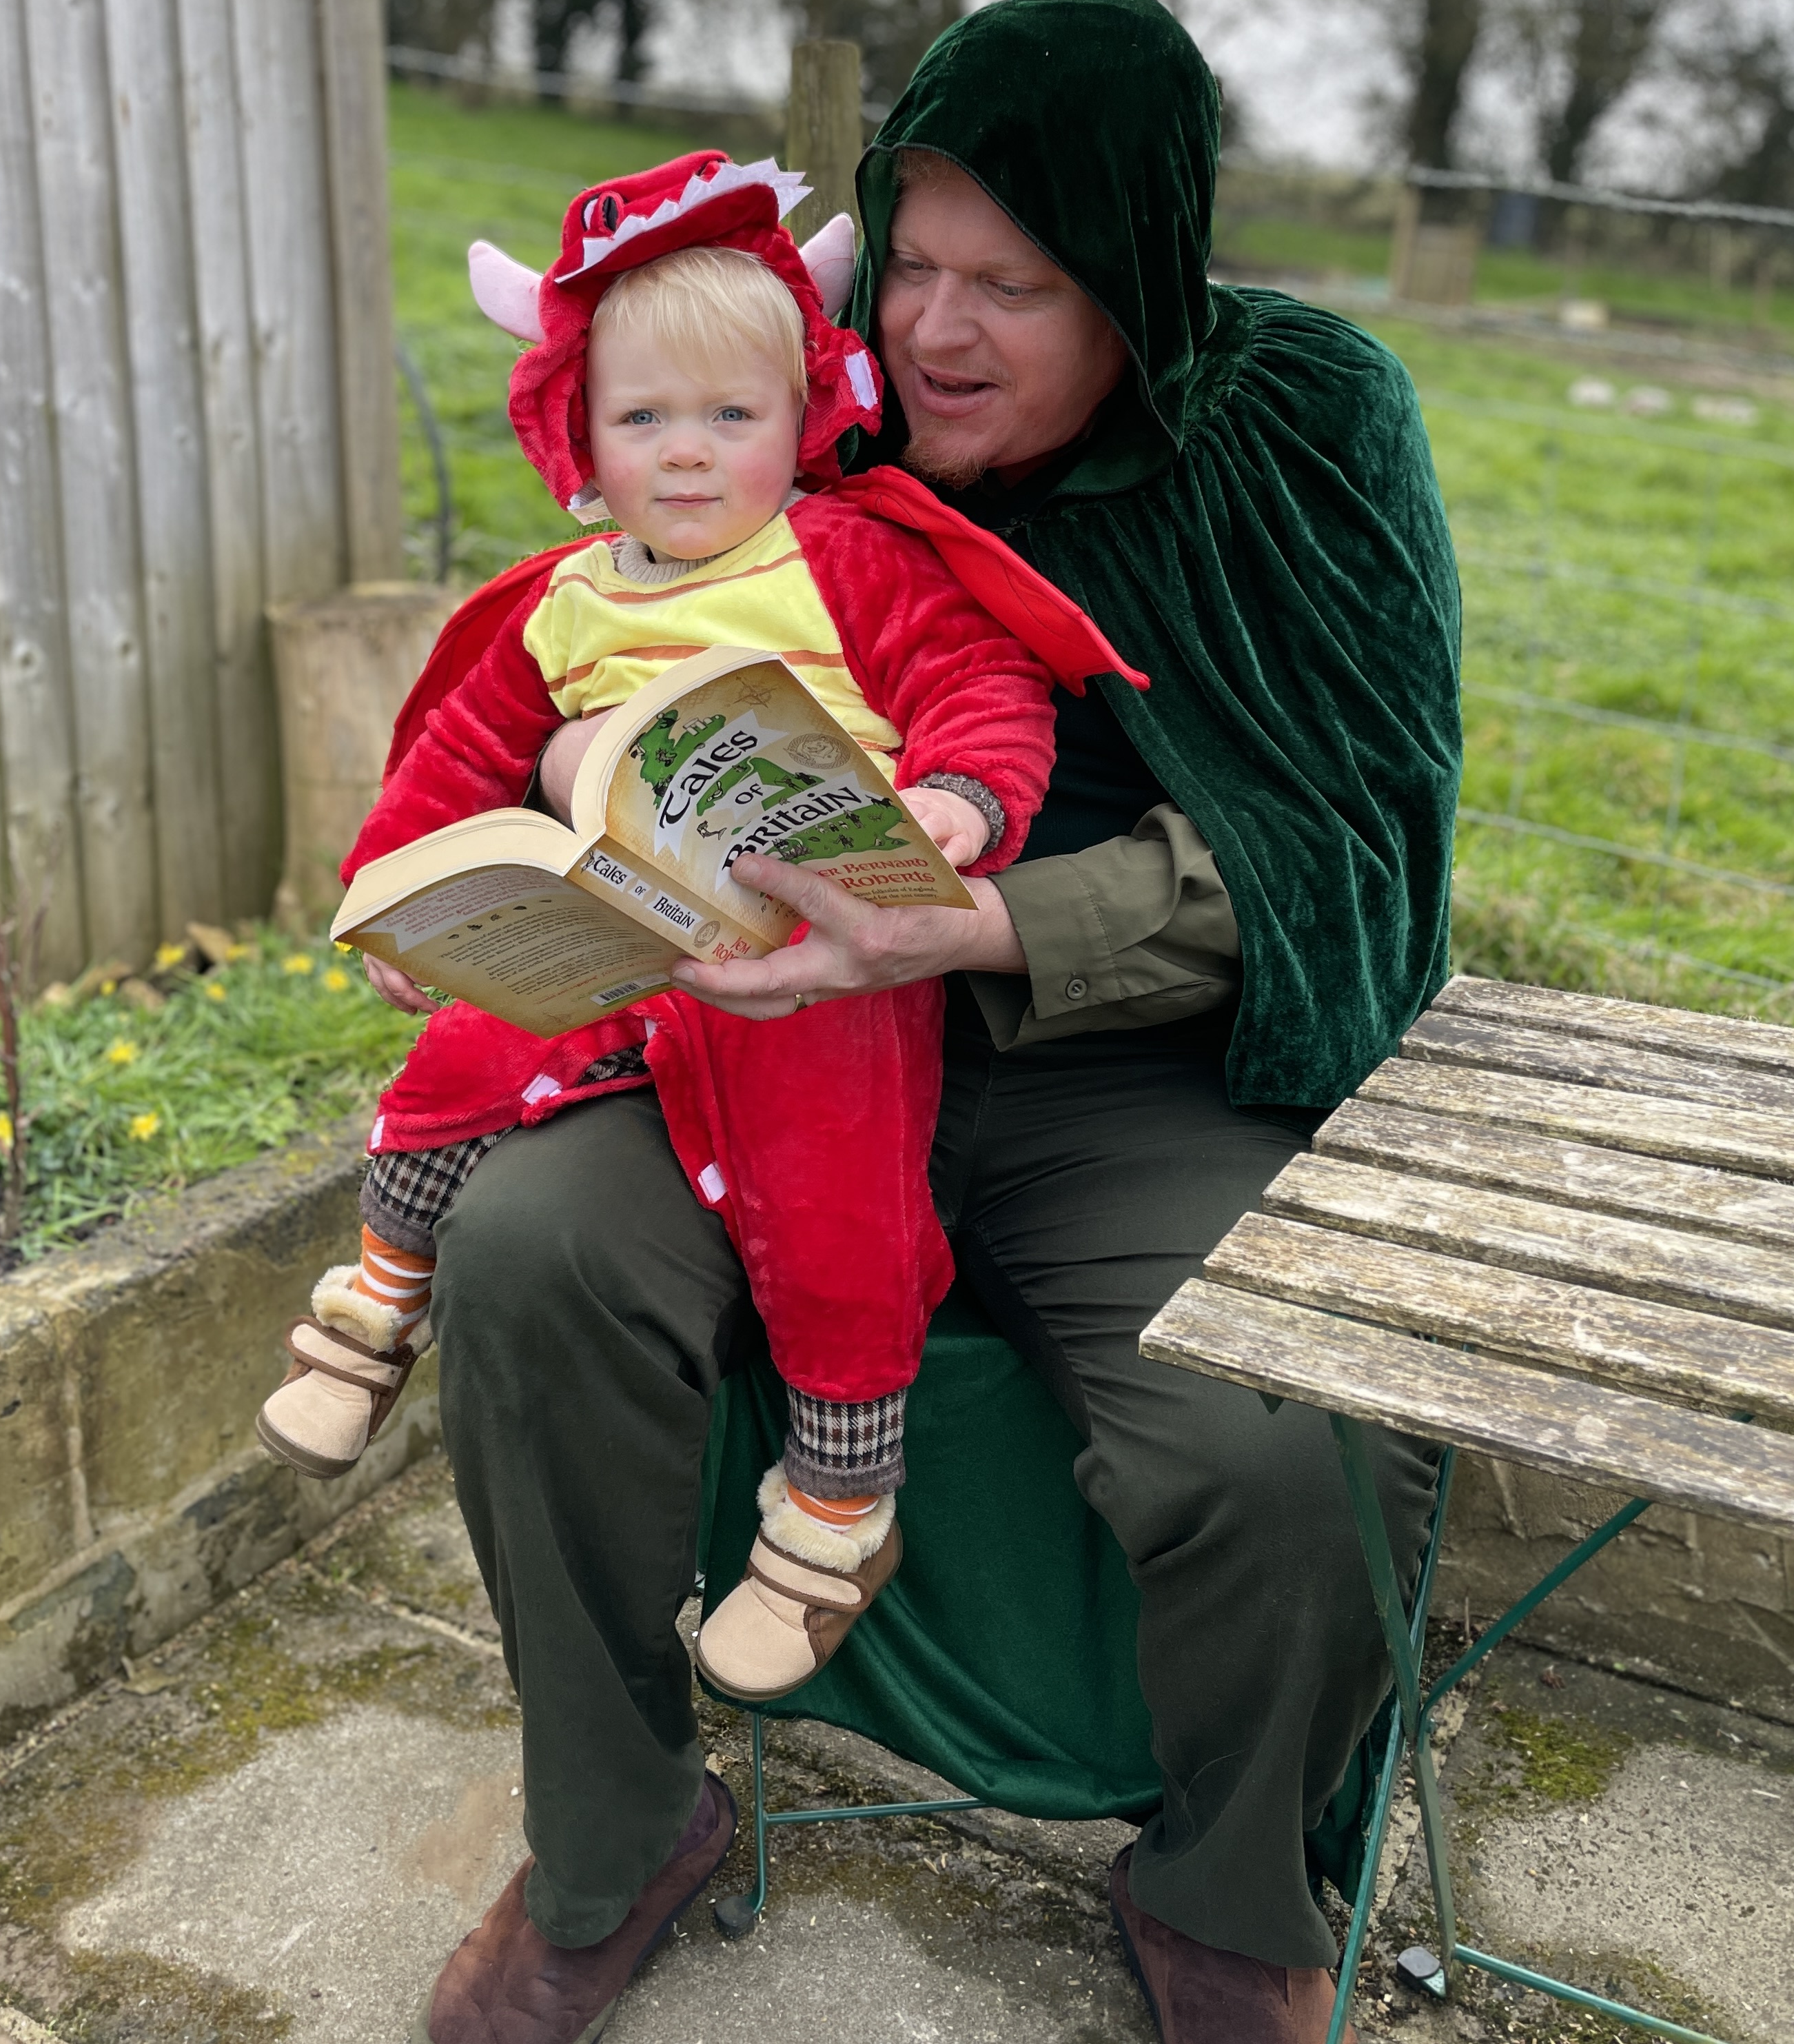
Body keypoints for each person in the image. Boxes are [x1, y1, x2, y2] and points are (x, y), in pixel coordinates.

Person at [395, 0, 1462, 2044]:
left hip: (1115, 1064)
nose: (940, 332)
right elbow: (586, 627)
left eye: (1020, 284)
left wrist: (974, 926)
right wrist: (563, 795)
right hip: (759, 1033)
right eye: (917, 263)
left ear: (1141, 286)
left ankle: (1225, 1906)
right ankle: (616, 1835)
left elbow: (1351, 834)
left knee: (1285, 1437)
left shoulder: (1301, 429)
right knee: (524, 1249)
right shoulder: (813, 393)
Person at [256, 147, 1138, 1701]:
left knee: (839, 1216)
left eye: (732, 417)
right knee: (463, 1059)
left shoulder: (848, 556)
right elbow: (455, 756)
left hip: (822, 961)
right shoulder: (569, 600)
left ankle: (835, 1517)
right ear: (576, 432)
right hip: (628, 929)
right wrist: (400, 897)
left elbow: (978, 684)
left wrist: (960, 802)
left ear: (803, 415)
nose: (684, 456)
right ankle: (371, 1310)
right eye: (642, 419)